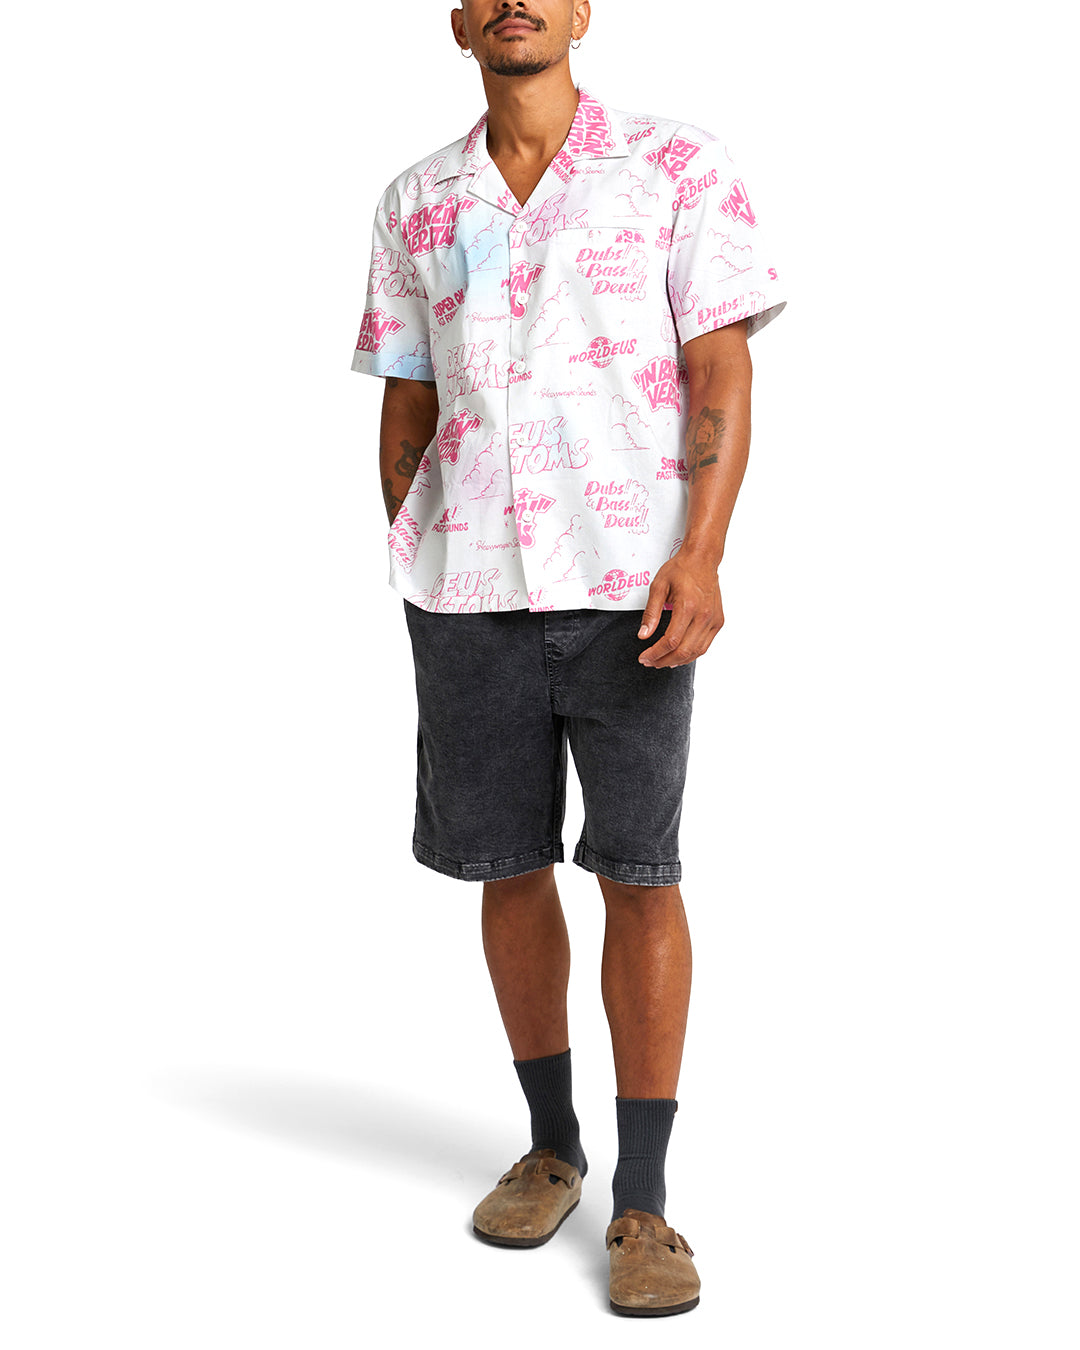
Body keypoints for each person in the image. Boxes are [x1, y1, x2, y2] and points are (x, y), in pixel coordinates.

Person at [350, 1, 786, 1318]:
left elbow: (719, 370)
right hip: (466, 589)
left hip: (629, 582)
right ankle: (553, 1146)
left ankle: (644, 1201)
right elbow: (407, 391)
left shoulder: (676, 166)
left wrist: (701, 552)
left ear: (583, 10)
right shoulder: (417, 199)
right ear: (457, 22)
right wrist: (413, 540)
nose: (514, 0)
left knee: (639, 870)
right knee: (506, 862)